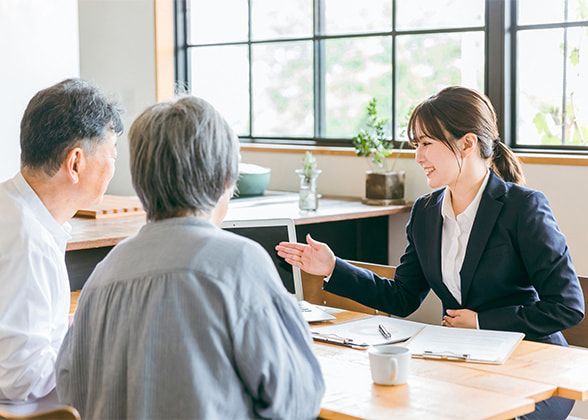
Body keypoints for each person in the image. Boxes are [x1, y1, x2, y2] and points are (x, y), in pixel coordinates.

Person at [276, 86, 584, 419]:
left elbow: (567, 307)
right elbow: (403, 297)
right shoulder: (425, 212)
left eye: (426, 144)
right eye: (416, 145)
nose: (418, 157)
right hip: (462, 365)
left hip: (533, 369)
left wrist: (481, 322)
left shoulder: (522, 208)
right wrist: (333, 267)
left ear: (467, 144)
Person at [56, 96, 325, 419]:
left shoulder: (103, 276)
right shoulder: (239, 263)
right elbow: (297, 399)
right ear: (226, 179)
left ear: (141, 182)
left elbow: (70, 390)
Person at [0, 78, 123, 402]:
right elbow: (23, 380)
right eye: (111, 154)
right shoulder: (29, 242)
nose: (113, 167)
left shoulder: (13, 209)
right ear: (76, 162)